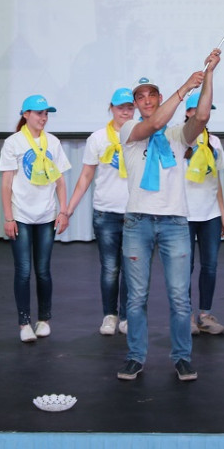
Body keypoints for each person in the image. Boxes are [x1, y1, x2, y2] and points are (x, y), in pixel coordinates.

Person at [116, 49, 220, 382]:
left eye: (152, 95)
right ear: (136, 104)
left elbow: (201, 117)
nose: (147, 100)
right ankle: (135, 356)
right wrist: (185, 87)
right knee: (136, 297)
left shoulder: (177, 135)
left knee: (179, 297)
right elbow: (155, 123)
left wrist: (209, 75)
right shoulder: (129, 129)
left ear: (160, 98)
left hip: (175, 222)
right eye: (140, 97)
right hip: (138, 222)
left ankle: (182, 357)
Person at [0, 95, 71, 343]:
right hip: (20, 215)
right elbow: (6, 183)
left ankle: (44, 319)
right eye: (39, 113)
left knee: (43, 271)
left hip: (46, 216)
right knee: (23, 271)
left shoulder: (53, 142)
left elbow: (60, 181)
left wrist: (63, 211)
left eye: (46, 114)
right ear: (26, 114)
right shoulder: (13, 143)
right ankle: (24, 323)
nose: (43, 118)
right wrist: (8, 217)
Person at [64, 88, 135, 336]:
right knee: (110, 268)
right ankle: (109, 315)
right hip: (106, 213)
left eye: (130, 107)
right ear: (111, 108)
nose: (125, 112)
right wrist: (69, 209)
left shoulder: (141, 134)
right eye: (120, 107)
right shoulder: (97, 138)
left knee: (131, 269)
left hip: (134, 213)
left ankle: (126, 316)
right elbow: (86, 176)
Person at [183, 92, 224, 335]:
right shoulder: (179, 140)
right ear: (189, 113)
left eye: (208, 110)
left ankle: (205, 314)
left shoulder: (215, 142)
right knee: (185, 268)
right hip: (184, 214)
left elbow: (216, 179)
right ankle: (187, 316)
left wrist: (222, 213)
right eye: (199, 110)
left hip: (210, 214)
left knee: (210, 266)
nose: (204, 114)